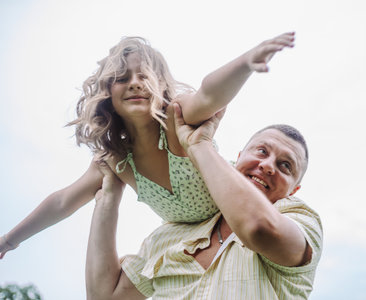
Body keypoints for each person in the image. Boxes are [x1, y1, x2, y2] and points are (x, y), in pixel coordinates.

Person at [0, 32, 296, 259]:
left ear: (162, 85)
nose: (135, 83)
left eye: (144, 75)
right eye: (122, 78)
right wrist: (9, 240)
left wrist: (245, 63)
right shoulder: (116, 161)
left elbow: (208, 95)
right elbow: (63, 201)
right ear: (107, 93)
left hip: (243, 211)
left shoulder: (177, 118)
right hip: (192, 237)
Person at [85, 104, 323, 299]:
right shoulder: (176, 230)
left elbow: (259, 228)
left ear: (294, 190)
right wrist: (108, 198)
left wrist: (199, 146)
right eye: (261, 151)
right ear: (239, 158)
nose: (268, 165)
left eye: (285, 165)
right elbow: (104, 296)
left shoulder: (302, 221)